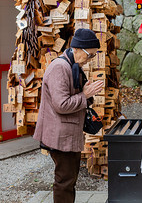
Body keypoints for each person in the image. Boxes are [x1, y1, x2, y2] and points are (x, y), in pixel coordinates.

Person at [33, 29, 104, 203]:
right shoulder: (60, 67)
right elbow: (61, 105)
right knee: (64, 181)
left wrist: (87, 92)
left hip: (68, 133)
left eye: (93, 56)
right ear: (78, 49)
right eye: (90, 55)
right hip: (60, 135)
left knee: (68, 179)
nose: (90, 60)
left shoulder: (73, 66)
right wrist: (85, 95)